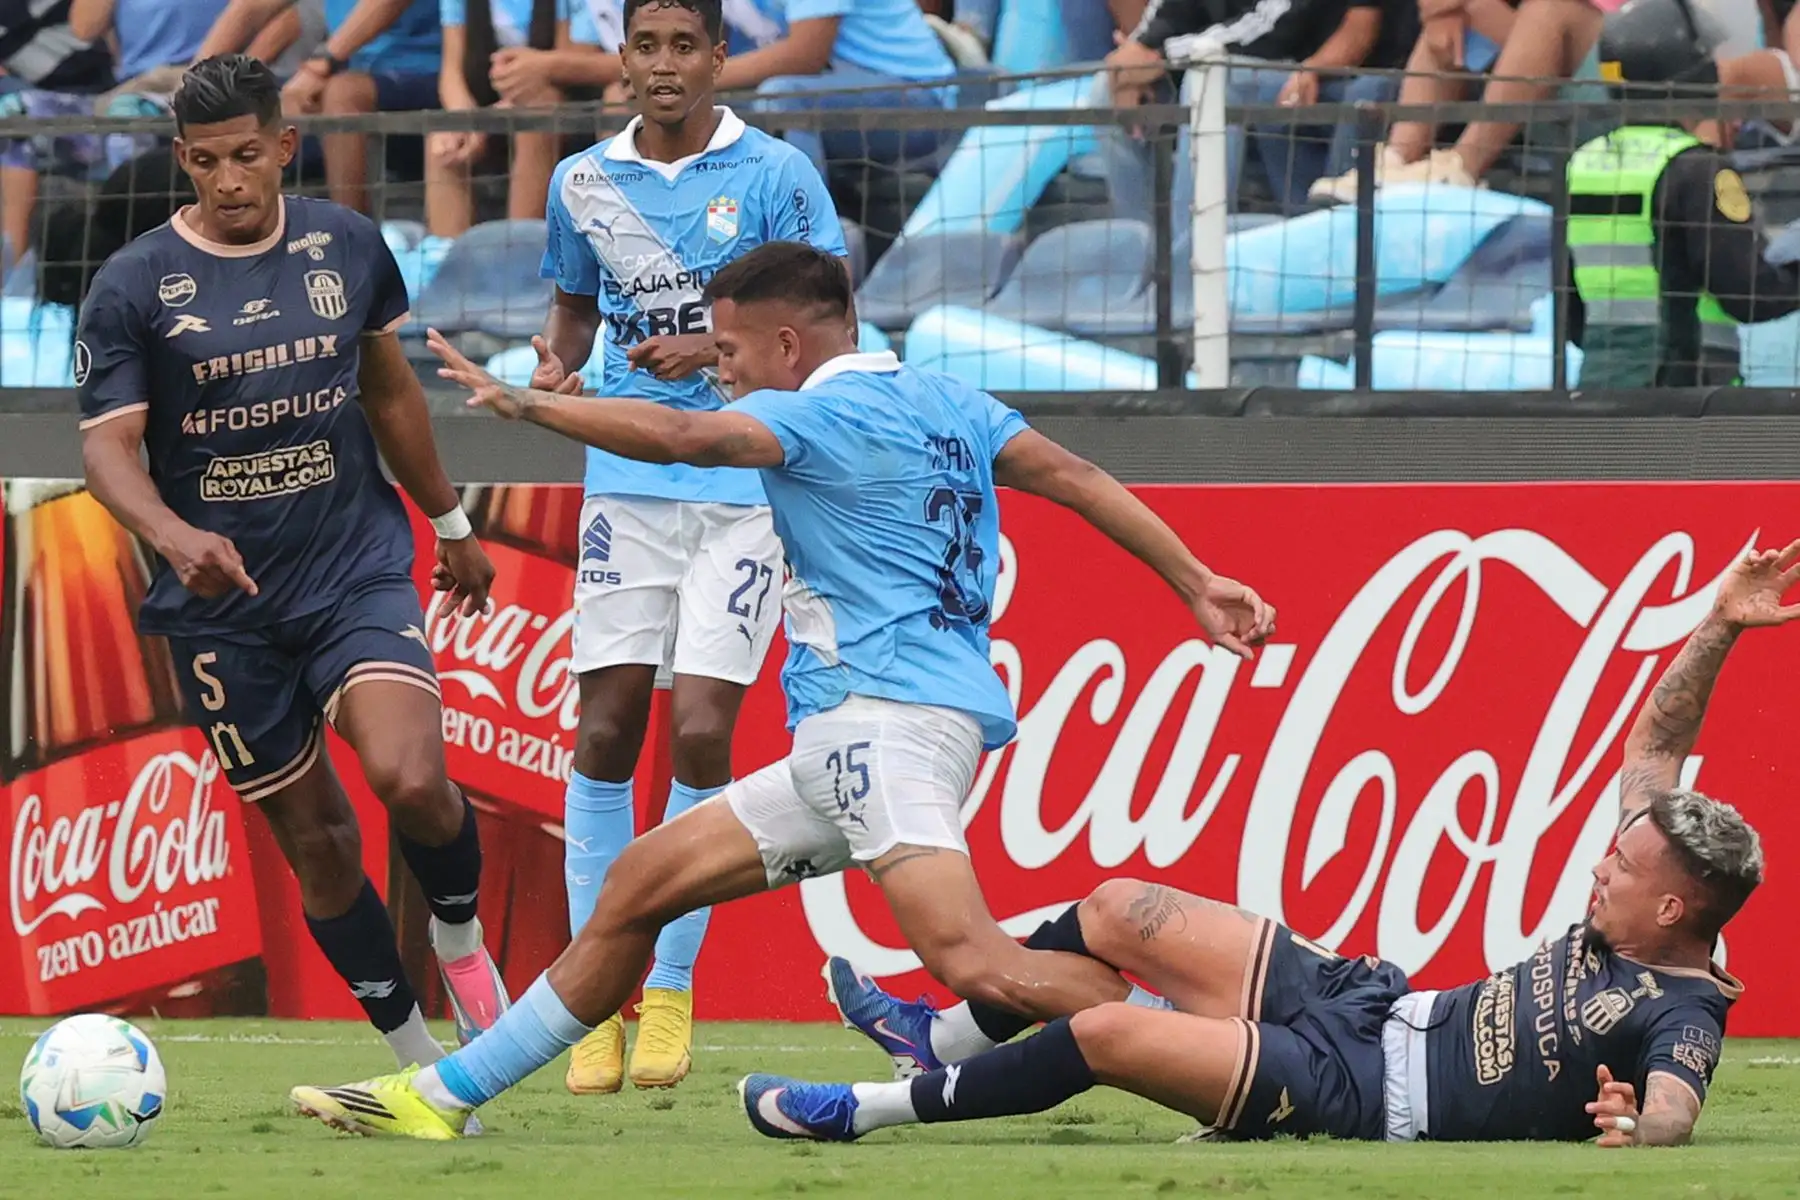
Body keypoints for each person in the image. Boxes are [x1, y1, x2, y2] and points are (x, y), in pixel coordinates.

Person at [285, 238, 1275, 1140]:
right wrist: (1195, 581)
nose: (722, 371)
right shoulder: (950, 402)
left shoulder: (815, 413)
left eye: (728, 351)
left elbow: (686, 440)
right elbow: (1077, 474)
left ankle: (1238, 1063)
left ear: (788, 344)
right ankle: (442, 1096)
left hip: (881, 731)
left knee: (977, 962)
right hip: (868, 738)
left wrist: (530, 406)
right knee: (637, 887)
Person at [742, 539, 1793, 1146]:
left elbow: (1675, 1109)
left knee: (1104, 1038)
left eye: (1622, 866)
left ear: (1673, 908)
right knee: (1116, 907)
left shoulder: (1684, 1010)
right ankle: (939, 1040)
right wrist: (1719, 624)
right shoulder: (1643, 891)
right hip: (1372, 999)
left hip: (1365, 1095)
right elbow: (1656, 747)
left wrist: (1637, 1127)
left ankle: (867, 1112)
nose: (1601, 863)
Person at [75, 55, 511, 1085]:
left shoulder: (344, 244)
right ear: (182, 161)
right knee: (320, 844)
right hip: (221, 608)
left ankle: (458, 937)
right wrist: (172, 534)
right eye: (206, 162)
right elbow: (106, 447)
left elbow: (391, 392)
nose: (229, 181)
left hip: (351, 565)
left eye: (246, 156)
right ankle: (419, 1069)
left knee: (411, 777)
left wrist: (450, 521)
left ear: (284, 145)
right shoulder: (132, 283)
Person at [526, 0, 851, 1095]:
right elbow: (574, 312)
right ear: (621, 58)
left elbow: (825, 326)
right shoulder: (583, 182)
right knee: (607, 727)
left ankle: (667, 985)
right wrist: (558, 368)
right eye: (645, 46)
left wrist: (710, 350)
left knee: (703, 731)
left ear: (719, 56)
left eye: (683, 46)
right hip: (625, 481)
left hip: (743, 483)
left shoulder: (776, 174)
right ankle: (590, 997)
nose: (664, 65)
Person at [1563, 0, 1800, 387]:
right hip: (1690, 388)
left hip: (1603, 383)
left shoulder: (1583, 164)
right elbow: (1750, 294)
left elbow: (1570, 307)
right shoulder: (1695, 167)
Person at [1098, 0, 1406, 220]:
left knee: (1213, 80)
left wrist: (1161, 57)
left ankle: (1191, 261)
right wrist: (1134, 56)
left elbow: (1273, 22)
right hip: (1266, 68)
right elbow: (1169, 11)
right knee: (1104, 89)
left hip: (1321, 77)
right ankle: (1143, 253)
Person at [196, 0, 443, 213]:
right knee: (251, 98)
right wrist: (194, 85)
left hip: (431, 78)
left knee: (341, 92)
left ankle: (350, 234)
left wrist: (321, 65)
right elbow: (250, 7)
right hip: (354, 74)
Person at [718, 0, 959, 178]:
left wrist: (706, 76)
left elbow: (805, 56)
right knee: (725, 109)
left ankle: (811, 226)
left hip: (920, 97)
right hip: (848, 83)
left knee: (783, 96)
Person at [429, 0, 609, 238]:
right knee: (444, 140)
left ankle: (518, 247)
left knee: (535, 119)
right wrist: (465, 120)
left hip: (559, 100)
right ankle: (445, 251)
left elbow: (570, 60)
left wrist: (521, 92)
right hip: (487, 103)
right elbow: (452, 72)